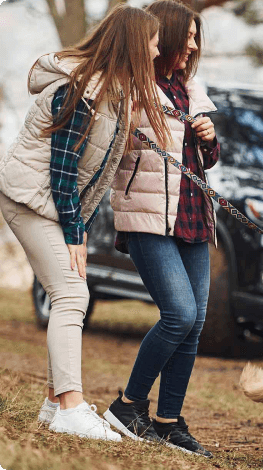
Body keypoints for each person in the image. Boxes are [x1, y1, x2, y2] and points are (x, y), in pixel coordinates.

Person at [0, 5, 169, 441]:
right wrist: (75, 234)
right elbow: (62, 169)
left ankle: (56, 404)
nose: (156, 51)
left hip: (51, 204)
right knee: (72, 293)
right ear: (134, 44)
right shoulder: (82, 92)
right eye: (152, 42)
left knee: (69, 291)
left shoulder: (113, 92)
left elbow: (91, 174)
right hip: (29, 199)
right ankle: (71, 408)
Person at [104, 0, 219, 457]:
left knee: (195, 324)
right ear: (165, 36)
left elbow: (203, 162)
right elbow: (116, 146)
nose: (193, 46)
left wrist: (209, 137)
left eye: (195, 38)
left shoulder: (191, 87)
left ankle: (169, 420)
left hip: (193, 214)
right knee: (179, 314)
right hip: (148, 215)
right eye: (188, 36)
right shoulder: (131, 84)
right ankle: (128, 404)